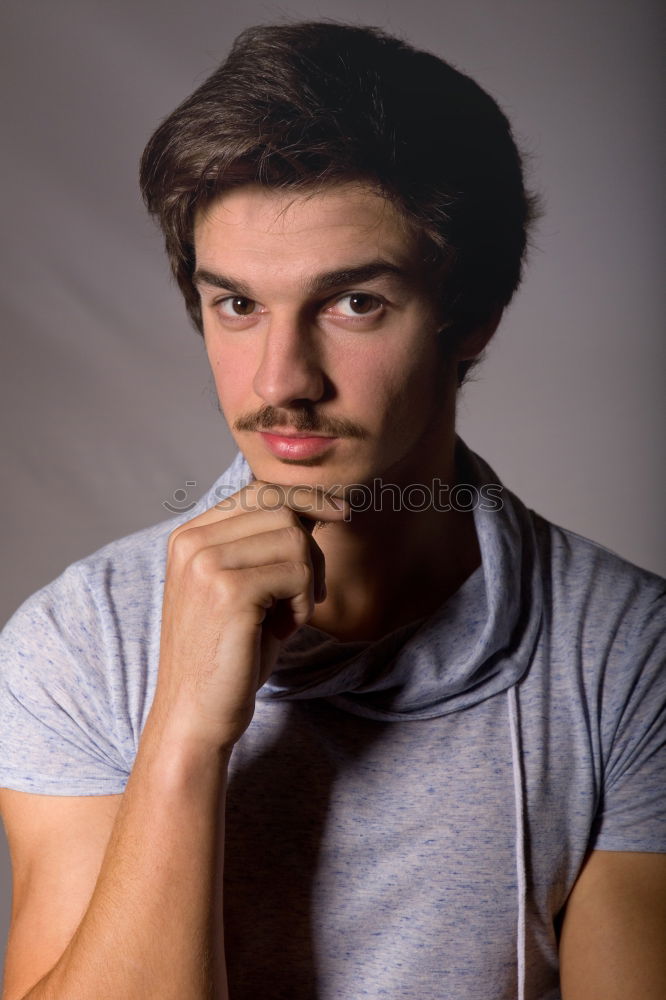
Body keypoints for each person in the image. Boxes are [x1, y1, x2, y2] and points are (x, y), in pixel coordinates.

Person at [0, 20, 664, 1000]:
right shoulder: (79, 641)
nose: (281, 381)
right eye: (238, 305)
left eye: (353, 303)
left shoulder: (626, 654)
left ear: (469, 312)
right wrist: (183, 733)